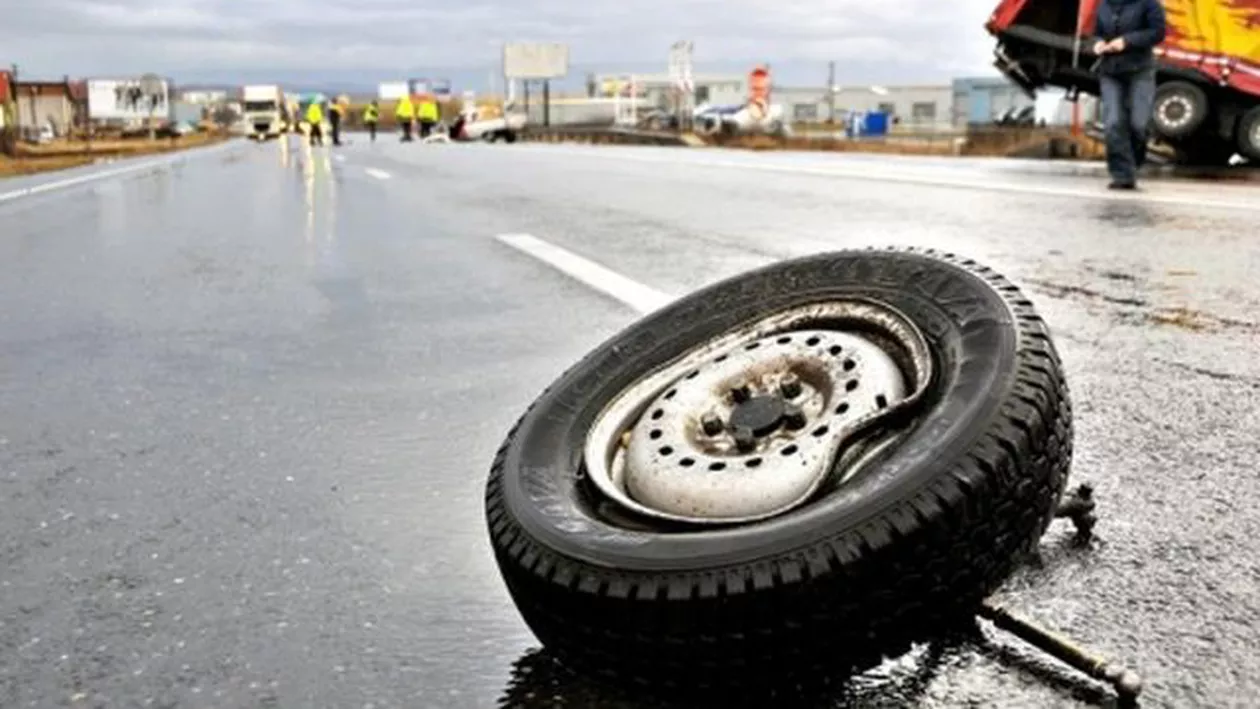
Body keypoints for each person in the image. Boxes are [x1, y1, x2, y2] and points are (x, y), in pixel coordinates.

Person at [1093, 0, 1167, 190]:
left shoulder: (1149, 4)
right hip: (1110, 71)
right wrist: (1098, 43)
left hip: (1140, 70)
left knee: (1139, 124)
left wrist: (1127, 41)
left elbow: (1157, 32)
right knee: (1113, 122)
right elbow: (1097, 33)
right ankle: (1122, 174)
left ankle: (1133, 162)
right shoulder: (1104, 5)